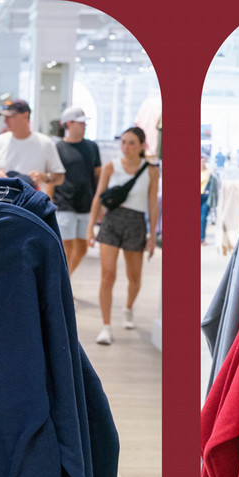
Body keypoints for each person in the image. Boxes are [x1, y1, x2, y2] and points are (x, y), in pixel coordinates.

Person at [87, 126, 160, 345]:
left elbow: (153, 205)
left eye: (131, 143)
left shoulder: (151, 171)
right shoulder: (111, 167)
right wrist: (91, 227)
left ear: (141, 146)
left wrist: (152, 236)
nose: (126, 147)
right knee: (107, 276)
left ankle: (128, 308)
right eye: (124, 142)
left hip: (135, 224)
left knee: (134, 277)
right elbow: (98, 197)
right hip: (111, 222)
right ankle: (106, 326)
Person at [53, 106, 101, 274]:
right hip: (64, 203)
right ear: (68, 124)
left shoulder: (92, 147)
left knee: (82, 247)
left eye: (84, 123)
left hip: (86, 203)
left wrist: (99, 205)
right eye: (80, 123)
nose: (84, 126)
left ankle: (66, 281)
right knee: (66, 247)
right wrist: (49, 202)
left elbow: (98, 176)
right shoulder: (58, 148)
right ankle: (61, 288)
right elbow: (52, 178)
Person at [0, 99, 65, 195]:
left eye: (11, 116)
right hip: (3, 203)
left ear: (25, 116)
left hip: (33, 204)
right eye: (5, 117)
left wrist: (43, 177)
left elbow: (60, 177)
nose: (6, 121)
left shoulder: (45, 143)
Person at [200, 155, 216, 246]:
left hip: (206, 198)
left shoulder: (208, 173)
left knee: (203, 219)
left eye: (205, 161)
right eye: (202, 161)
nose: (204, 163)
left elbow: (213, 187)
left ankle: (202, 238)